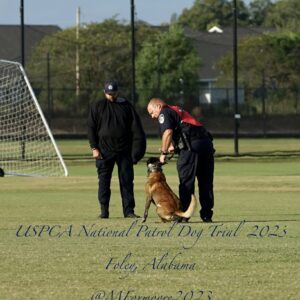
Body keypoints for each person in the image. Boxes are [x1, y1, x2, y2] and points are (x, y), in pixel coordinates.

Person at [147, 98, 215, 222]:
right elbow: (184, 128)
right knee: (206, 182)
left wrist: (164, 152)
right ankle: (207, 214)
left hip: (191, 148)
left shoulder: (164, 112)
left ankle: (184, 216)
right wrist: (174, 146)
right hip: (206, 144)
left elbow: (167, 132)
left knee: (186, 182)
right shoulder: (176, 109)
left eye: (152, 112)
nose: (152, 116)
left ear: (158, 106)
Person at [88, 80, 146, 219]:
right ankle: (104, 211)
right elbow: (91, 128)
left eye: (113, 93)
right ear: (104, 93)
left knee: (126, 181)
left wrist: (136, 153)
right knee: (104, 181)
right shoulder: (98, 106)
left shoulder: (126, 106)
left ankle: (129, 211)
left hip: (124, 151)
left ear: (117, 92)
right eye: (108, 94)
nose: (111, 96)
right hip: (103, 151)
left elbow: (137, 130)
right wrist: (94, 148)